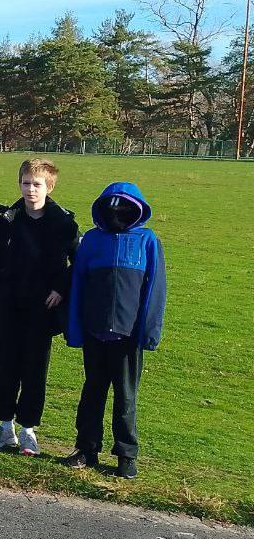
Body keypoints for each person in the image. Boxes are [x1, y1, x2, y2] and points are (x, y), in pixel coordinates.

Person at [63, 182, 166, 480]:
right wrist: (75, 329)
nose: (117, 213)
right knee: (92, 393)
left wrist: (149, 332)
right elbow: (78, 285)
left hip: (128, 335)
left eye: (124, 208)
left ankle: (126, 454)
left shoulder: (147, 241)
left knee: (126, 397)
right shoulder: (93, 240)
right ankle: (86, 449)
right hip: (95, 332)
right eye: (111, 207)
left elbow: (155, 290)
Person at [0, 159, 80, 456]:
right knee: (5, 367)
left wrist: (61, 288)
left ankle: (28, 430)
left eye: (37, 184)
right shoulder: (5, 222)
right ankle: (4, 426)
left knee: (35, 370)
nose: (31, 189)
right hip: (8, 308)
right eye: (26, 183)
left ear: (49, 187)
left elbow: (79, 263)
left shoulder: (64, 224)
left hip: (42, 311)